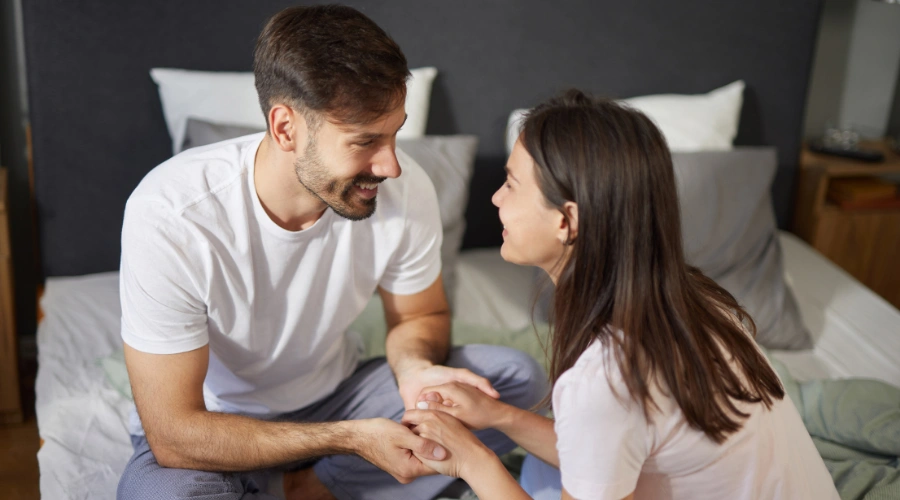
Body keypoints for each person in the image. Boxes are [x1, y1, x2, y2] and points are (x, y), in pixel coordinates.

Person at [115, 5, 546, 500]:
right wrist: (352, 440)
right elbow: (173, 434)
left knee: (513, 380)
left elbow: (420, 314)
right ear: (285, 129)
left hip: (339, 397)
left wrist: (413, 371)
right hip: (215, 426)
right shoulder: (172, 214)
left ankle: (305, 487)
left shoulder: (407, 191)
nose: (390, 166)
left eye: (394, 133)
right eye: (364, 141)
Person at [401, 91, 839, 500]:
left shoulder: (607, 376)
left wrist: (471, 460)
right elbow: (608, 445)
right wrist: (500, 417)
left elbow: (605, 415)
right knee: (542, 472)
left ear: (566, 221)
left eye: (512, 184)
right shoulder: (700, 302)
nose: (496, 198)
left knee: (536, 479)